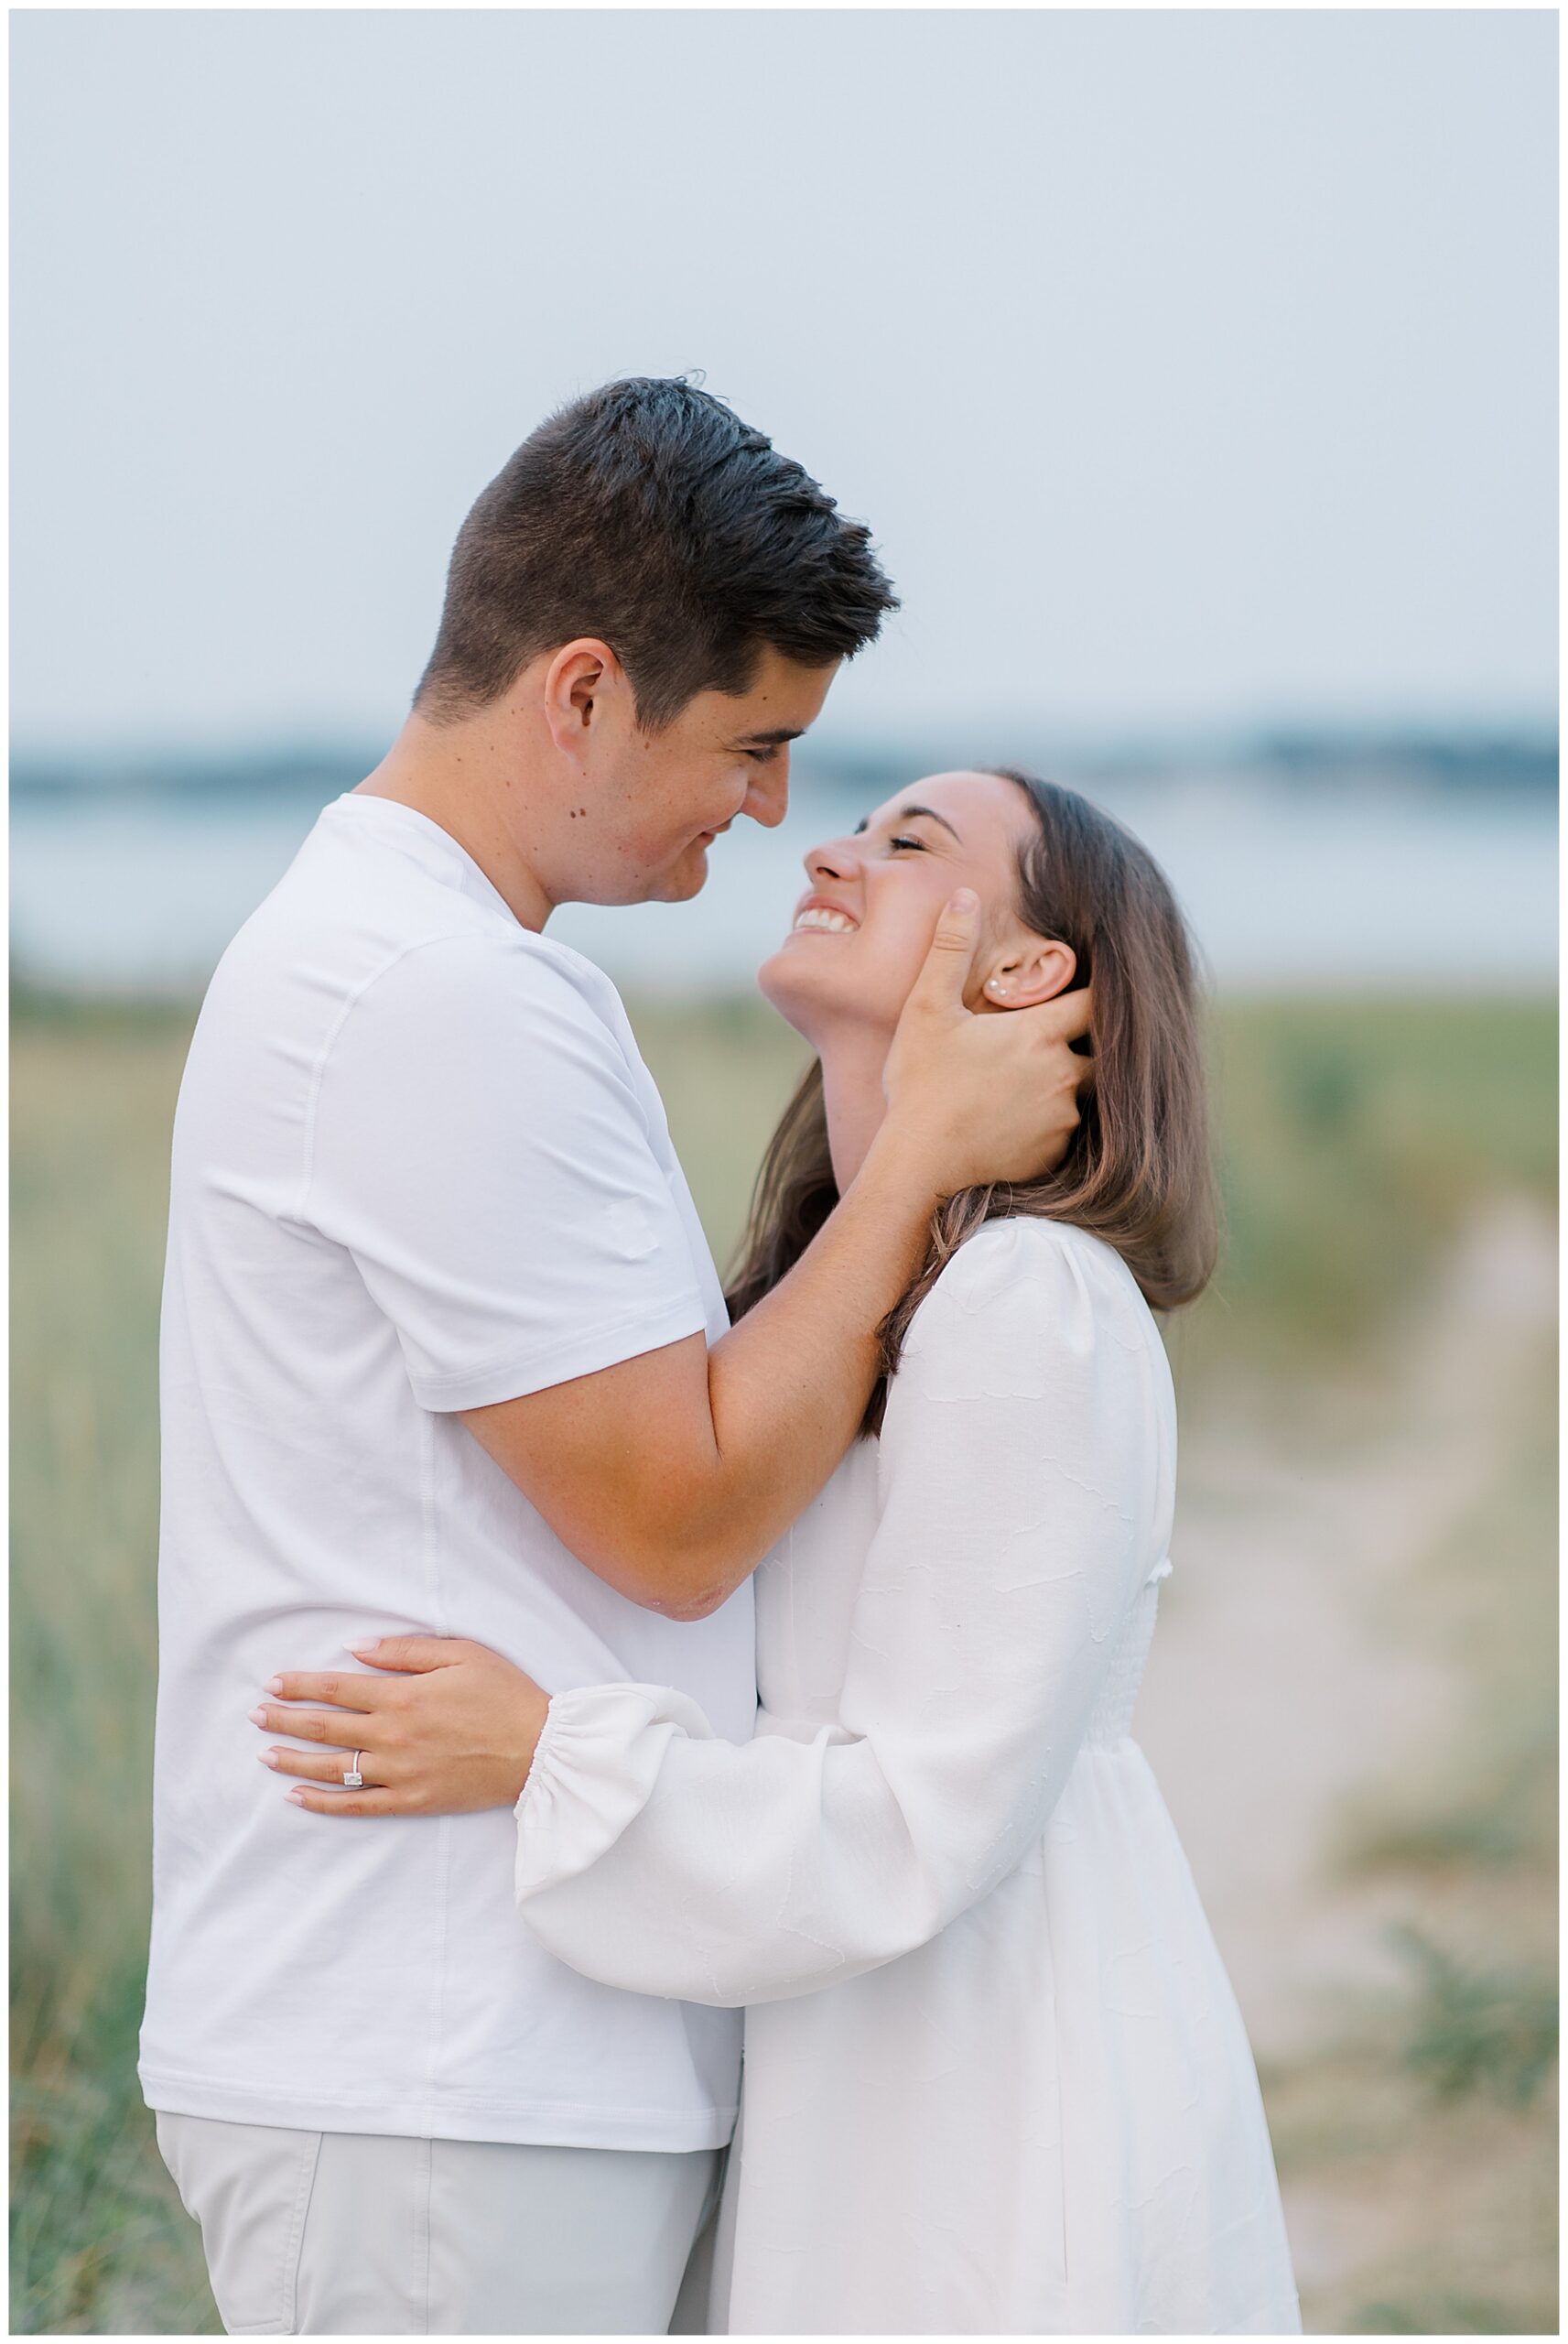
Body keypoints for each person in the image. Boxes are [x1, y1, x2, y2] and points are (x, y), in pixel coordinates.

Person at [143, 380, 1092, 2338]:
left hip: (483, 2048)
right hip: (434, 2056)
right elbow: (676, 1516)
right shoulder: (442, 995)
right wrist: (918, 1153)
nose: (767, 813)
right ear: (579, 692)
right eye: (750, 745)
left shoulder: (411, 963)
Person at [258, 768, 1303, 2335]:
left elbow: (921, 1817)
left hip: (986, 2073)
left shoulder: (1031, 1304)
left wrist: (547, 1755)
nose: (827, 845)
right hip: (860, 2043)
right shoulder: (860, 1301)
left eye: (907, 843)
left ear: (1025, 975)